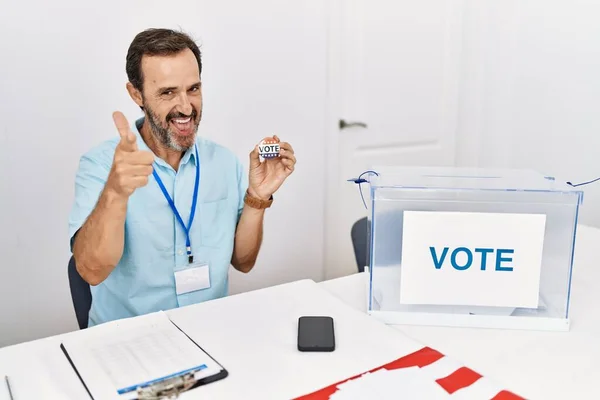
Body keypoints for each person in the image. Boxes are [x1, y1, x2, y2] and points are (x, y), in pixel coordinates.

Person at [68, 28, 296, 327]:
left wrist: (257, 198)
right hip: (129, 339)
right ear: (136, 94)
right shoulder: (101, 165)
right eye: (167, 92)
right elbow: (91, 271)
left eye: (193, 89)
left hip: (209, 332)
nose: (186, 107)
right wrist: (115, 193)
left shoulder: (224, 162)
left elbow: (243, 263)